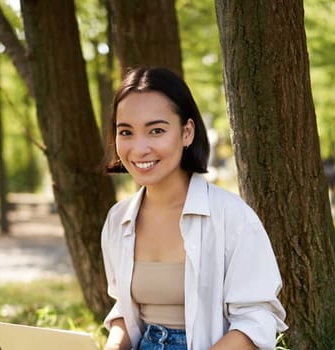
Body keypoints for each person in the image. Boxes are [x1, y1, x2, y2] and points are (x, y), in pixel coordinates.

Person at [100, 67, 287, 350]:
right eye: (126, 132)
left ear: (187, 132)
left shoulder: (232, 217)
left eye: (156, 131)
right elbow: (124, 311)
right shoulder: (118, 220)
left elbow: (257, 319)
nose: (139, 148)